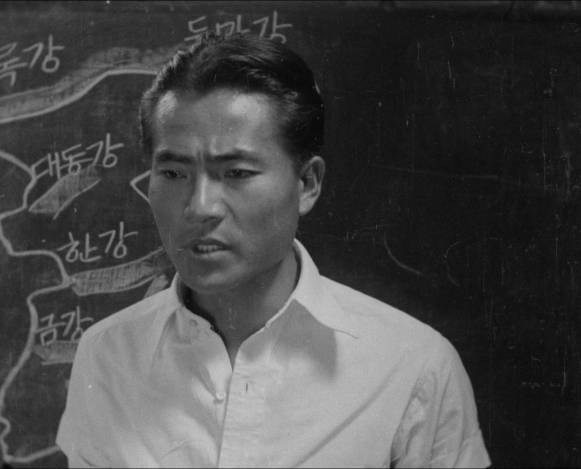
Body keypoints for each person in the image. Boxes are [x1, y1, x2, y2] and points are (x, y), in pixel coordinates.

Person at [56, 32, 491, 468]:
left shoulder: (412, 366)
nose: (199, 207)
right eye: (173, 173)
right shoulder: (108, 356)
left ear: (307, 184)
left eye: (237, 173)